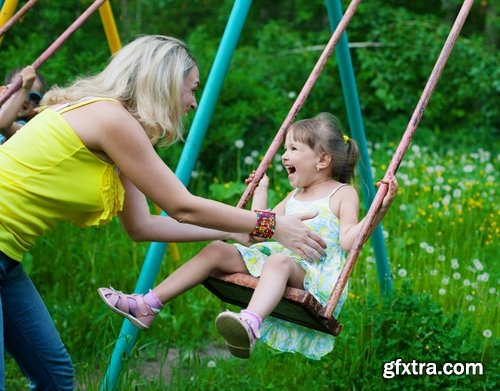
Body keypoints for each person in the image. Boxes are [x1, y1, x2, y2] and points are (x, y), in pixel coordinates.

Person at [0, 35, 327, 390]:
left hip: (7, 259)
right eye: (190, 89)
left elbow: (142, 225)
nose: (192, 102)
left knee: (55, 378)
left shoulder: (112, 125)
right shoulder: (111, 119)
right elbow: (181, 206)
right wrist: (269, 224)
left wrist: (234, 232)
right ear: (165, 85)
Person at [98, 112, 399, 360]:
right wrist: (262, 190)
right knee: (217, 249)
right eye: (285, 149)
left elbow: (349, 240)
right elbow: (259, 229)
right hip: (276, 262)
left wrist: (378, 211)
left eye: (294, 149)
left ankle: (250, 324)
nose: (285, 156)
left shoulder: (341, 193)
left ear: (322, 160)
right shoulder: (296, 195)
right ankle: (148, 303)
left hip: (312, 275)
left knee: (279, 262)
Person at [0, 65, 45, 143]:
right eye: (18, 88)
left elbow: (3, 125)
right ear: (2, 91)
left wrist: (25, 89)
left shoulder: (25, 128)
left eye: (33, 97)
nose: (26, 99)